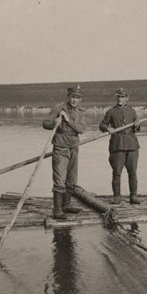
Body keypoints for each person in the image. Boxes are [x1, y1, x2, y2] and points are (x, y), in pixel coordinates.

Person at [43, 85, 87, 219]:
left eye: (78, 98)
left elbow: (81, 129)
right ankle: (57, 210)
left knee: (71, 178)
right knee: (59, 178)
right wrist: (55, 121)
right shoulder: (58, 108)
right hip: (60, 147)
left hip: (74, 147)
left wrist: (68, 121)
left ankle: (66, 205)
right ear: (68, 97)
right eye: (73, 97)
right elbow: (45, 124)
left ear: (80, 99)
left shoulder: (80, 112)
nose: (75, 100)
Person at [99, 88, 141, 204]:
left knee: (132, 172)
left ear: (127, 98)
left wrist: (137, 126)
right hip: (117, 145)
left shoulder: (132, 111)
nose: (120, 99)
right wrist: (107, 128)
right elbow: (102, 124)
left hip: (132, 145)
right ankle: (117, 197)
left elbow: (136, 128)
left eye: (122, 97)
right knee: (117, 172)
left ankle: (133, 196)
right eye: (118, 97)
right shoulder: (111, 111)